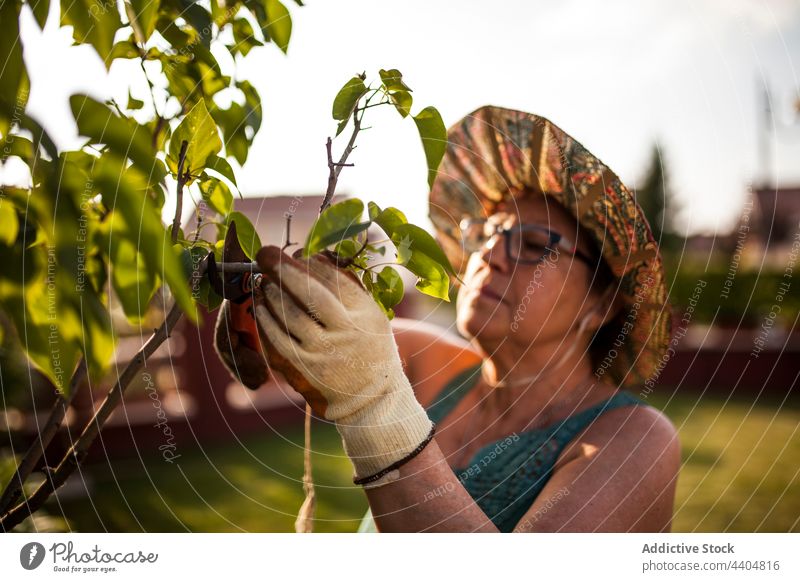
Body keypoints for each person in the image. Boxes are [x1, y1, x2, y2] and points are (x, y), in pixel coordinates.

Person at [215, 105, 680, 532]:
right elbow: (287, 346)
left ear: (601, 305)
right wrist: (253, 296)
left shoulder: (632, 441)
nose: (490, 255)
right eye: (486, 234)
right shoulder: (424, 360)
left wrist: (376, 410)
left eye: (535, 245)